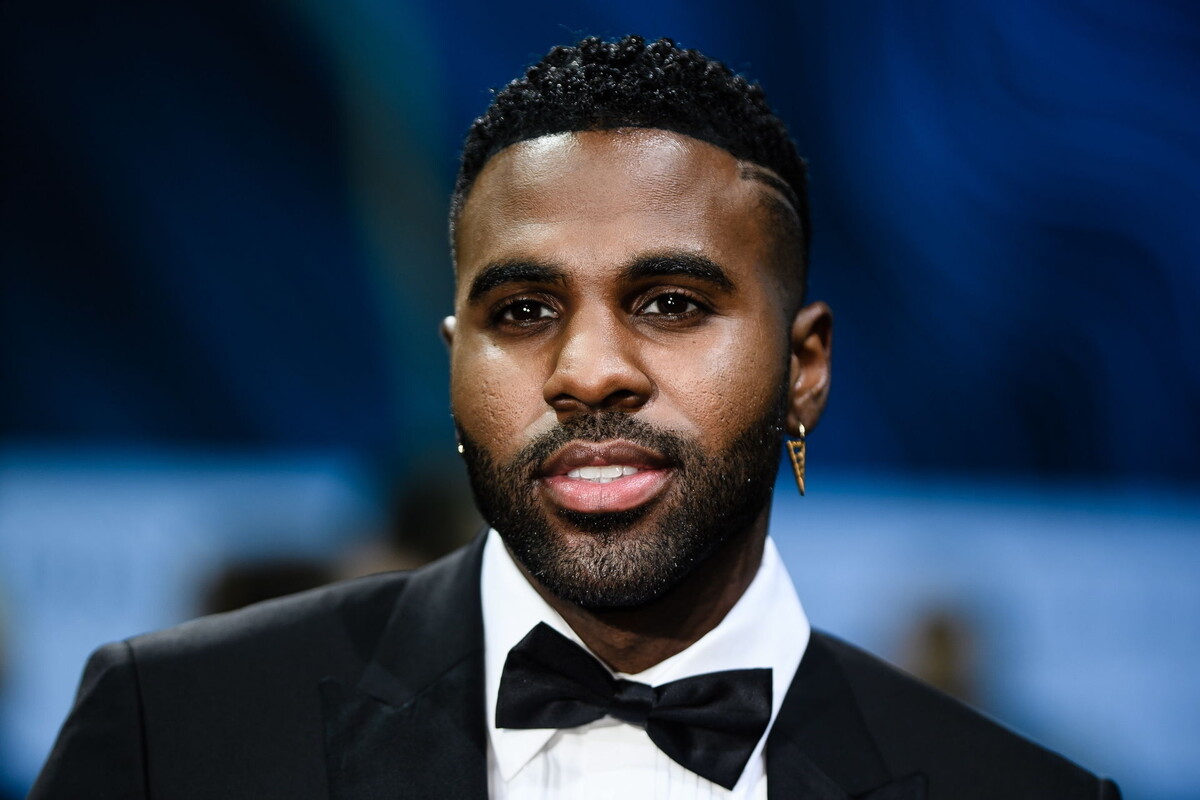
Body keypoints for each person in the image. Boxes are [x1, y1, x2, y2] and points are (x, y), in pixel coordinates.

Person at [31, 35, 1119, 799]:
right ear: (455, 365)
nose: (588, 371)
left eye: (672, 303)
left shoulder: (1020, 793)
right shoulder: (173, 731)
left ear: (804, 369)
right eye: (523, 310)